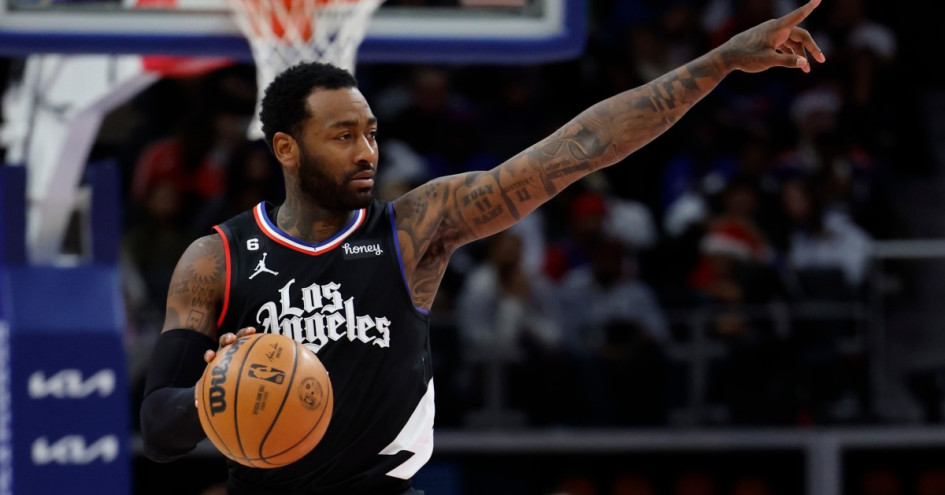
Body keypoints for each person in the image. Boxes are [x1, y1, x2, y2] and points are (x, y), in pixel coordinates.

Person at [138, 2, 826, 493]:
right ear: (286, 148)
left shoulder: (414, 229)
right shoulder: (217, 258)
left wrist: (719, 62)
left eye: (371, 132)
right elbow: (157, 432)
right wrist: (213, 395)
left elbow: (583, 147)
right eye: (343, 136)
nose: (367, 151)